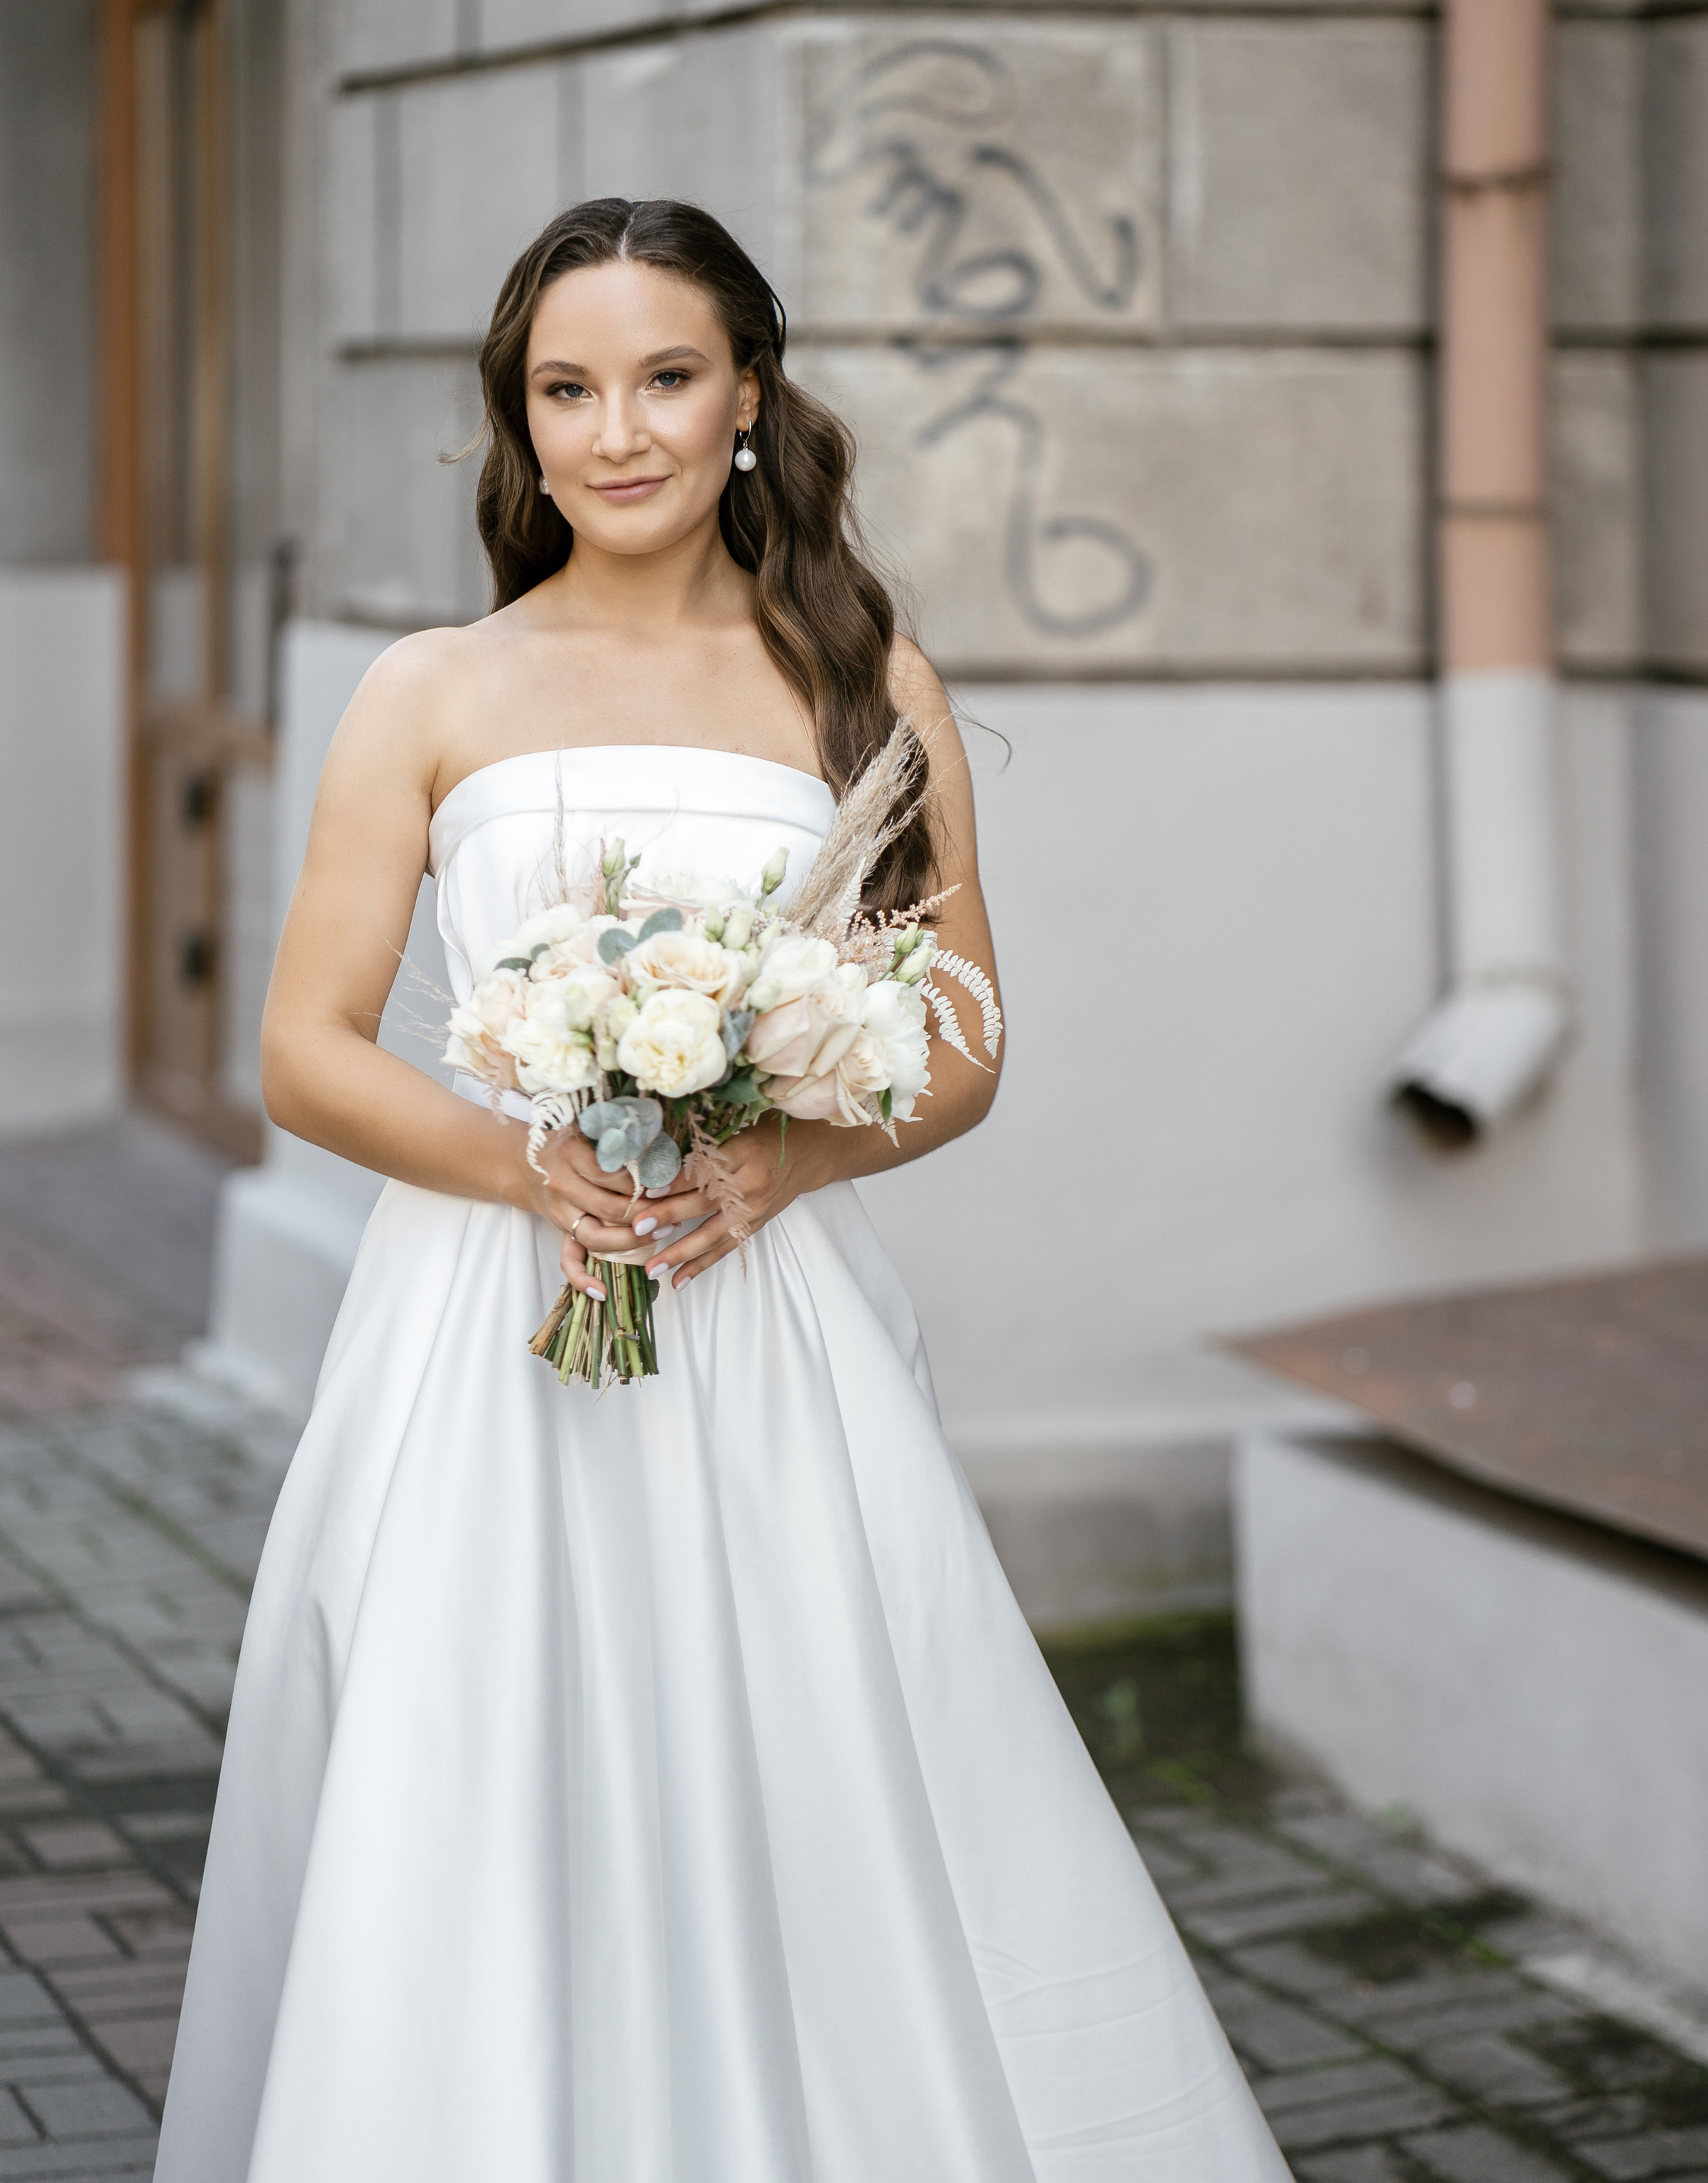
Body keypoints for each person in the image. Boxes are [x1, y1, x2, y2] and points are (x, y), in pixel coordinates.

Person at [156, 199, 1289, 2183]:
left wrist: (782, 1154)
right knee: (479, 1776)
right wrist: (526, 1165)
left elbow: (962, 1042)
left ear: (749, 397)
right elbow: (307, 1050)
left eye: (667, 379)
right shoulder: (432, 688)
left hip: (760, 1319)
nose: (620, 432)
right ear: (521, 421)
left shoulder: (863, 679)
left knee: (804, 1774)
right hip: (487, 1330)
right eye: (567, 389)